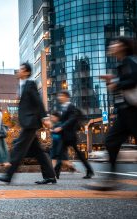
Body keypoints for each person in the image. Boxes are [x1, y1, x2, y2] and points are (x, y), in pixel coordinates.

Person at [87, 37, 137, 190]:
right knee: (111, 141)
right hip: (124, 112)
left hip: (133, 111)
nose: (112, 45)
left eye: (115, 43)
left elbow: (134, 79)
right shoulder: (122, 64)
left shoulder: (129, 61)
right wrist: (113, 80)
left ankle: (111, 179)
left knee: (111, 141)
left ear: (122, 46)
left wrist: (116, 82)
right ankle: (111, 179)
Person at [0, 63, 56, 184]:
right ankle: (50, 176)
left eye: (22, 69)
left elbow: (38, 101)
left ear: (27, 72)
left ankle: (8, 176)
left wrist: (44, 117)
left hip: (31, 122)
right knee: (38, 152)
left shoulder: (30, 84)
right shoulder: (21, 85)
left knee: (18, 148)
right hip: (27, 122)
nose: (19, 70)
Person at [54, 91, 94, 179]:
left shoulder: (71, 107)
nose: (59, 97)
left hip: (71, 135)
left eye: (61, 96)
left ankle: (89, 171)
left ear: (66, 97)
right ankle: (56, 172)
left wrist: (61, 127)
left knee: (78, 154)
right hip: (64, 135)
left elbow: (72, 119)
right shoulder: (63, 107)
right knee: (59, 153)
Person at [49, 111, 76, 179]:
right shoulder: (54, 124)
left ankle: (71, 166)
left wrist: (53, 130)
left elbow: (59, 131)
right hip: (55, 144)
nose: (51, 118)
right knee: (54, 159)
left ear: (57, 117)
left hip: (60, 145)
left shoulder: (61, 124)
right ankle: (53, 173)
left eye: (52, 117)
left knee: (63, 160)